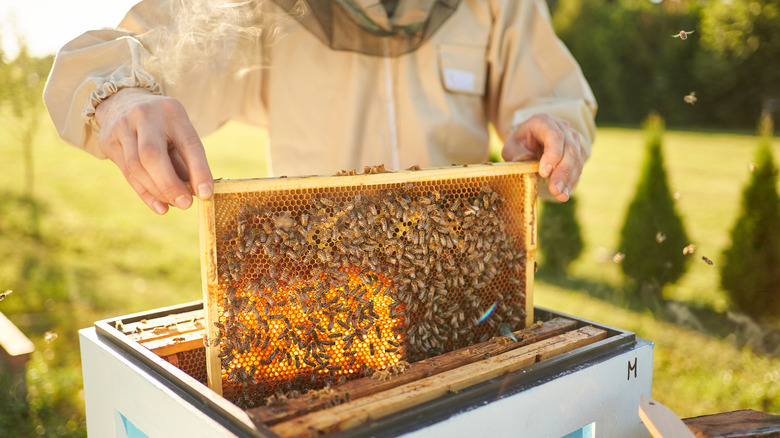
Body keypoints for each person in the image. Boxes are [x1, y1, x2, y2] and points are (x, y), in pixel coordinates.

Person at [43, 0, 596, 215]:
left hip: (461, 276)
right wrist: (121, 95)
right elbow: (123, 53)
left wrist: (552, 130)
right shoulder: (258, 5)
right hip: (319, 283)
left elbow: (552, 93)